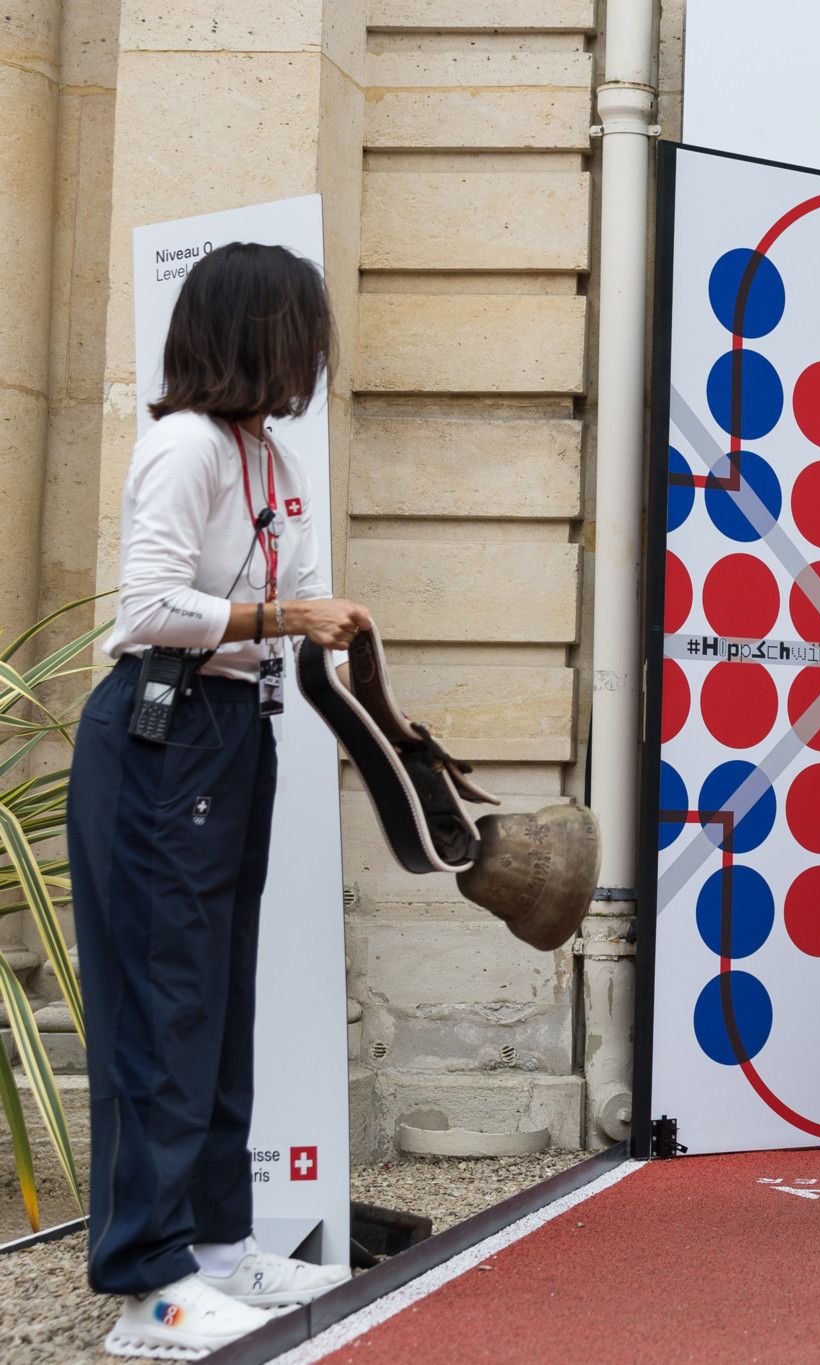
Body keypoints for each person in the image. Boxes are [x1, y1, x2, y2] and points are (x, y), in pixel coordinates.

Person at [69, 243, 374, 1357]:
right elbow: (148, 604)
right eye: (301, 324)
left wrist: (318, 632)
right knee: (163, 1003)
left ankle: (210, 1247)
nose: (315, 348)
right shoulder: (185, 445)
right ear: (258, 330)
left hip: (233, 732)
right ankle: (146, 1290)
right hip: (160, 729)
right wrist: (289, 623)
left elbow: (288, 596)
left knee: (216, 997)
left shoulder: (266, 453)